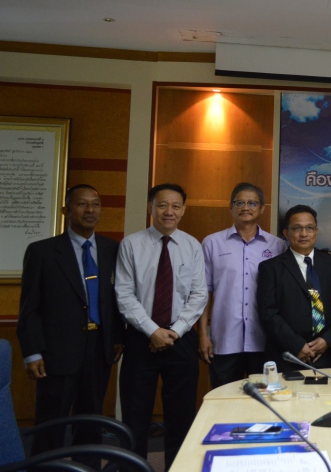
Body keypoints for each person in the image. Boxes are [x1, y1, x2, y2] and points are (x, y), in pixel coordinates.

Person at [17, 184, 123, 469]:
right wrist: (32, 353)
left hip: (98, 349)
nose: (90, 210)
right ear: (66, 210)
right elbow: (29, 309)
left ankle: (86, 467)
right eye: (81, 204)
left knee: (90, 422)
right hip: (56, 352)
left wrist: (117, 338)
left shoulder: (112, 249)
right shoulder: (42, 252)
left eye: (95, 204)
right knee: (52, 423)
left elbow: (116, 300)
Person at [115, 183, 207, 470]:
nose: (169, 211)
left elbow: (199, 294)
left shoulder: (192, 245)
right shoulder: (131, 244)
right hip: (141, 340)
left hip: (180, 341)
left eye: (175, 206)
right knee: (135, 413)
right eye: (162, 205)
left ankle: (177, 467)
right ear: (150, 208)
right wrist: (152, 330)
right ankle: (133, 467)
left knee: (180, 415)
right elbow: (124, 293)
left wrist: (176, 330)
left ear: (183, 210)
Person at [199, 182, 286, 388]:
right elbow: (204, 293)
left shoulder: (277, 245)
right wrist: (203, 335)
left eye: (252, 203)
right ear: (231, 207)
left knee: (266, 401)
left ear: (262, 208)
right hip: (224, 340)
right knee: (225, 399)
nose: (245, 207)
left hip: (265, 341)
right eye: (239, 202)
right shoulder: (212, 243)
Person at [257, 205, 331, 372]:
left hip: (327, 355)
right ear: (285, 233)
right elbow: (268, 312)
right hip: (287, 356)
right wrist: (297, 345)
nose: (304, 234)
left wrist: (327, 340)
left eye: (309, 228)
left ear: (316, 231)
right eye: (297, 228)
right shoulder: (270, 268)